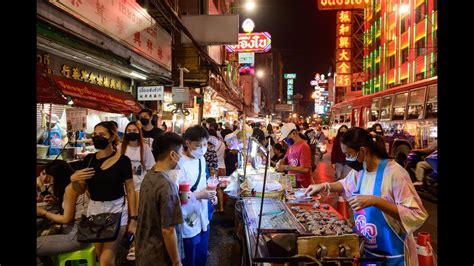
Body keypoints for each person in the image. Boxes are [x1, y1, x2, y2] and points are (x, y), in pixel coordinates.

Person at [305, 127, 428, 265]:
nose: (347, 159)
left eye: (349, 154)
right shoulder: (361, 171)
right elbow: (345, 184)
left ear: (363, 151)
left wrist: (375, 201)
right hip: (368, 253)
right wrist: (324, 186)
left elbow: (417, 214)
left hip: (393, 257)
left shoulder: (395, 174)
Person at [71, 121, 137, 266]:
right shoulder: (89, 160)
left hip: (117, 210)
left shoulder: (123, 161)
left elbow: (131, 190)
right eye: (95, 135)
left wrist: (134, 219)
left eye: (102, 134)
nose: (97, 137)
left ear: (112, 137)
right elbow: (80, 190)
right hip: (94, 211)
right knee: (99, 255)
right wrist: (74, 180)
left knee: (106, 260)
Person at [135, 133, 185, 266]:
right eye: (181, 153)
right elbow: (168, 230)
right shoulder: (167, 185)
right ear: (173, 155)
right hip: (160, 255)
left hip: (144, 249)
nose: (182, 157)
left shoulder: (149, 175)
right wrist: (176, 261)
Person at [175, 125, 217, 266]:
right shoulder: (179, 164)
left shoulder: (201, 159)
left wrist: (211, 194)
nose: (202, 148)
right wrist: (200, 195)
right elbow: (179, 197)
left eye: (205, 144)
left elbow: (203, 182)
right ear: (187, 143)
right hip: (187, 218)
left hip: (203, 215)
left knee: (201, 255)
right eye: (198, 145)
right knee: (189, 257)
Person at [37, 160, 89, 265]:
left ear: (59, 177)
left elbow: (66, 219)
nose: (49, 180)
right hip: (80, 233)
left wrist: (44, 213)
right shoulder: (74, 184)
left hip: (75, 236)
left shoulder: (70, 188)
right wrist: (56, 201)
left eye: (50, 177)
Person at [121, 121, 155, 210]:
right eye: (129, 130)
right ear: (125, 132)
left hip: (140, 188)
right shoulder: (120, 147)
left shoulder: (145, 147)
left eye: (134, 130)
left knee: (138, 213)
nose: (131, 132)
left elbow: (150, 168)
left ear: (138, 132)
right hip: (124, 189)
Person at [276, 123, 314, 188]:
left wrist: (286, 167)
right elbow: (285, 159)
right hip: (293, 183)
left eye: (286, 138)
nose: (285, 141)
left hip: (303, 186)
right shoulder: (291, 146)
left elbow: (305, 169)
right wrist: (280, 161)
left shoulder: (304, 146)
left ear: (294, 133)